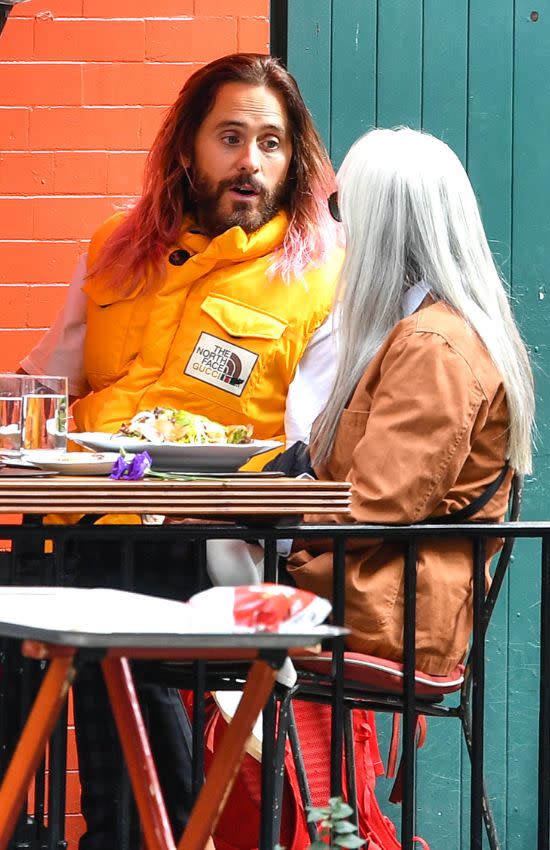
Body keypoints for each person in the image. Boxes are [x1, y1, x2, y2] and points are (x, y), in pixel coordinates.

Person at [20, 53, 343, 849]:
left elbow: (308, 450)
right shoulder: (111, 248)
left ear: (293, 158)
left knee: (107, 601)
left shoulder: (319, 277)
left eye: (270, 142)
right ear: (189, 148)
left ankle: (140, 835)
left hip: (208, 542)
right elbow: (44, 384)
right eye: (230, 137)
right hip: (84, 519)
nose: (250, 161)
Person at [286, 127, 534, 675]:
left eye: (342, 209)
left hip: (382, 608)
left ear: (382, 224)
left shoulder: (433, 345)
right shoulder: (424, 333)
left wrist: (271, 529)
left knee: (165, 587)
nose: (337, 228)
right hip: (373, 593)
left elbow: (376, 504)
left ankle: (184, 761)